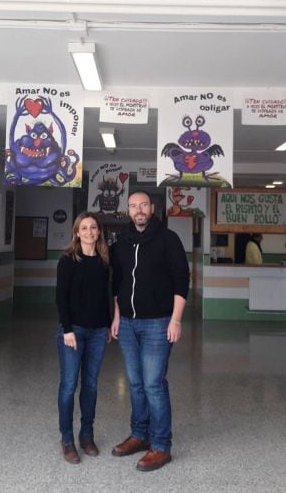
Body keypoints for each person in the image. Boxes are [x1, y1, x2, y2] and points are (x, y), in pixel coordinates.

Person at [110, 191, 190, 472]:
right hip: (129, 324)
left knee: (153, 384)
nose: (139, 210)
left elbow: (182, 280)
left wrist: (176, 320)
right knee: (134, 383)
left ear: (152, 208)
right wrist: (117, 316)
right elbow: (117, 283)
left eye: (143, 205)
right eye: (133, 206)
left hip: (159, 323)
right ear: (129, 211)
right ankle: (139, 435)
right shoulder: (121, 242)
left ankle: (161, 446)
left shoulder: (168, 240)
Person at [55, 212, 111, 465]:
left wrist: (108, 325)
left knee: (90, 385)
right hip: (73, 330)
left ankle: (86, 435)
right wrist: (67, 330)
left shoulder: (103, 261)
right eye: (84, 228)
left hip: (99, 331)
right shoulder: (67, 261)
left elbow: (105, 296)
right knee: (69, 385)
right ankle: (67, 439)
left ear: (99, 232)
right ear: (77, 233)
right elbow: (60, 298)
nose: (89, 232)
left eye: (93, 228)